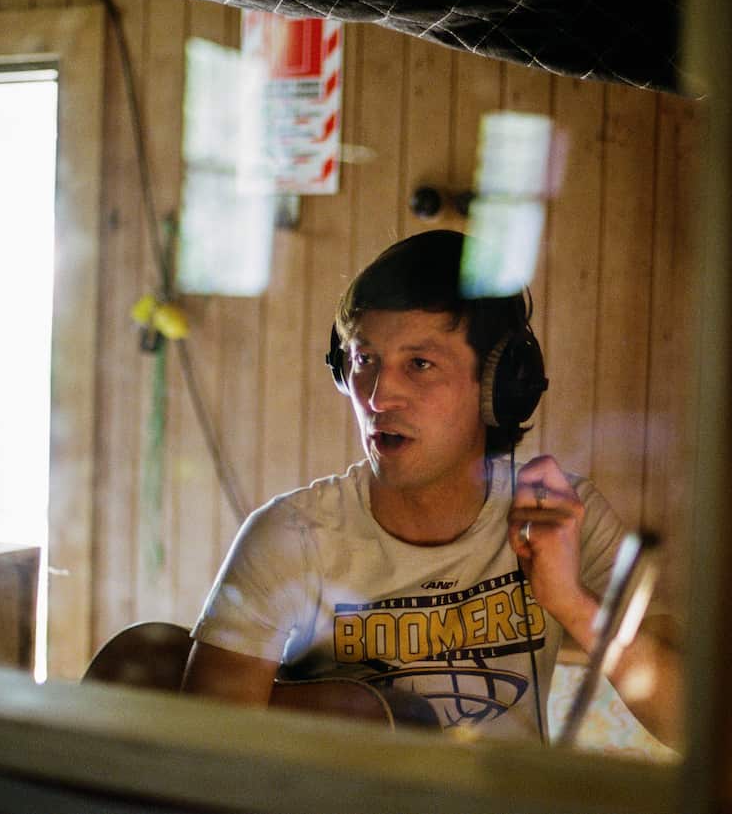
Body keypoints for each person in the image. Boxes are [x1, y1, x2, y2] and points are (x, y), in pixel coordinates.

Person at [182, 229, 680, 746]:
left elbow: (691, 724)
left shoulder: (560, 515)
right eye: (364, 360)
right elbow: (204, 754)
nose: (379, 398)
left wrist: (572, 603)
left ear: (500, 387)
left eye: (420, 364)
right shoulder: (291, 536)